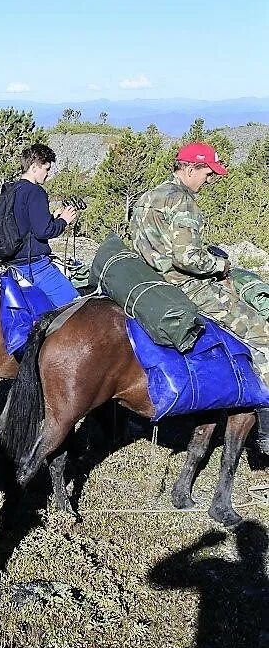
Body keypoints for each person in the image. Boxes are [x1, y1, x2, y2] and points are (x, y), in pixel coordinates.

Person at [129, 141, 269, 451]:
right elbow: (188, 257)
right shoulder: (183, 202)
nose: (210, 180)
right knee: (263, 335)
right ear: (190, 168)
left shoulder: (148, 197)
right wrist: (221, 264)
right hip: (187, 287)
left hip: (150, 282)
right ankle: (266, 427)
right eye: (208, 173)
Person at [7, 143, 81, 307]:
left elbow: (25, 224)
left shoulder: (11, 189)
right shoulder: (35, 191)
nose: (48, 175)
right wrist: (64, 220)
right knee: (75, 307)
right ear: (34, 167)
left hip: (12, 263)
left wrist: (52, 217)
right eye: (46, 169)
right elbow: (43, 232)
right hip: (34, 266)